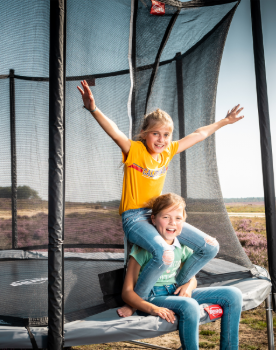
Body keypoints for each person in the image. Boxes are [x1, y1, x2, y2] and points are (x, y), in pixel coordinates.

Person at [77, 80, 244, 317]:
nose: (161, 139)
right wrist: (93, 108)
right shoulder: (133, 150)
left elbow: (199, 134)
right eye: (155, 133)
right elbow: (113, 130)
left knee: (209, 247)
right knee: (164, 254)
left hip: (157, 217)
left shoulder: (167, 152)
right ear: (145, 134)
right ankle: (139, 302)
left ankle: (179, 285)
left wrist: (225, 121)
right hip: (134, 218)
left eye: (166, 135)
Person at [122, 193, 243, 350]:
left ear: (184, 222)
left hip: (175, 292)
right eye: (166, 217)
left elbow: (190, 278)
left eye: (178, 218)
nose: (172, 223)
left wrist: (189, 286)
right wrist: (152, 308)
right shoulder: (143, 249)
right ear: (153, 219)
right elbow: (127, 292)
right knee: (190, 305)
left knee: (233, 295)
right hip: (151, 299)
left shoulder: (182, 247)